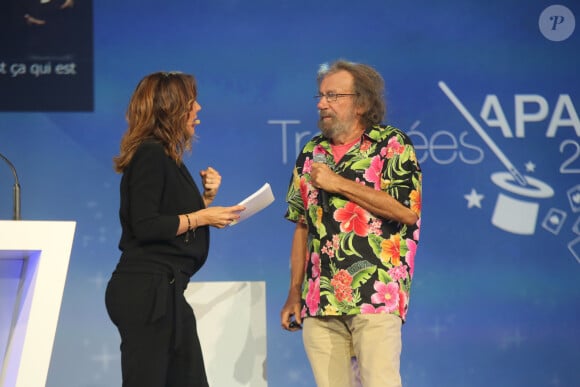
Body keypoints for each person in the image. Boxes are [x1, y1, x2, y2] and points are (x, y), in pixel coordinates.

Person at [280, 60, 422, 387]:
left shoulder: (392, 144)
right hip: (319, 302)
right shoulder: (310, 151)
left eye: (333, 95)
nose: (321, 104)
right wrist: (293, 292)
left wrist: (338, 183)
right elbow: (302, 226)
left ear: (361, 103)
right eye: (320, 96)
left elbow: (406, 212)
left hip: (374, 297)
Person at [105, 71, 245, 387]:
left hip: (166, 290)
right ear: (173, 108)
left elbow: (169, 221)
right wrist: (204, 217)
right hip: (148, 291)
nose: (199, 110)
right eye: (192, 102)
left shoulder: (165, 156)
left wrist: (206, 200)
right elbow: (147, 225)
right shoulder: (150, 154)